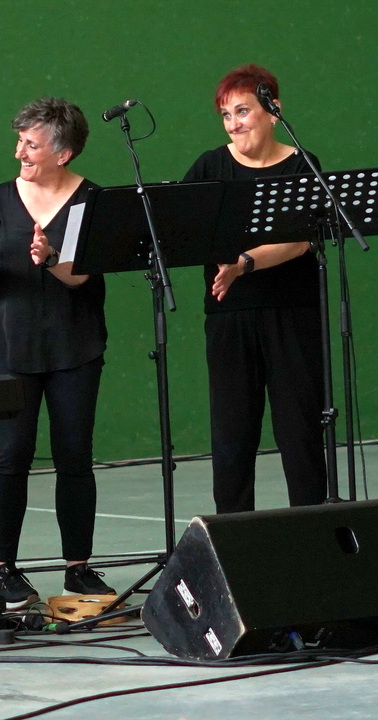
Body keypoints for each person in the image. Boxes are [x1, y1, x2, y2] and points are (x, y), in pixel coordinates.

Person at [0, 97, 113, 610]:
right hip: (11, 347)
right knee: (11, 455)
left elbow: (82, 276)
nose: (19, 152)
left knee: (75, 455)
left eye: (30, 144)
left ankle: (78, 569)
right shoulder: (0, 197)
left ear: (63, 153)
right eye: (19, 141)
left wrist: (49, 259)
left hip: (76, 346)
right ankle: (3, 569)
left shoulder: (92, 200)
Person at [184, 64, 327, 513]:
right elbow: (182, 230)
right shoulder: (210, 166)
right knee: (232, 437)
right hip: (230, 316)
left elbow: (300, 240)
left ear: (272, 109)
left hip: (293, 313)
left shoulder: (302, 164)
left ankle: (312, 534)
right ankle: (232, 540)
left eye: (243, 111)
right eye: (226, 115)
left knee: (301, 433)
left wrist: (243, 263)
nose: (234, 124)